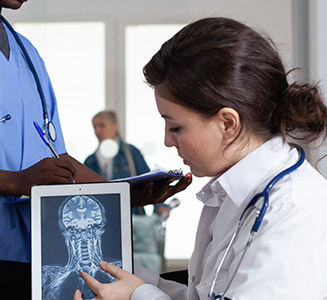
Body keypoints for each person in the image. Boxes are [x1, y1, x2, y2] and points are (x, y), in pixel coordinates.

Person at [0, 0, 192, 299]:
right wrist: (16, 182)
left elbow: (55, 157)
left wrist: (120, 195)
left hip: (34, 255)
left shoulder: (26, 52)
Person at [74, 17, 327, 300]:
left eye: (176, 127)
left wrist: (139, 295)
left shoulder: (291, 212)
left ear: (228, 124)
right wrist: (136, 280)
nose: (168, 140)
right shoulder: (231, 196)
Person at [85, 110, 170, 273]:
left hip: (135, 218)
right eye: (94, 127)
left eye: (102, 125)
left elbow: (149, 180)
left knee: (139, 264)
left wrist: (160, 206)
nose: (97, 131)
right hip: (106, 222)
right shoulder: (91, 160)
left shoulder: (131, 153)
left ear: (115, 126)